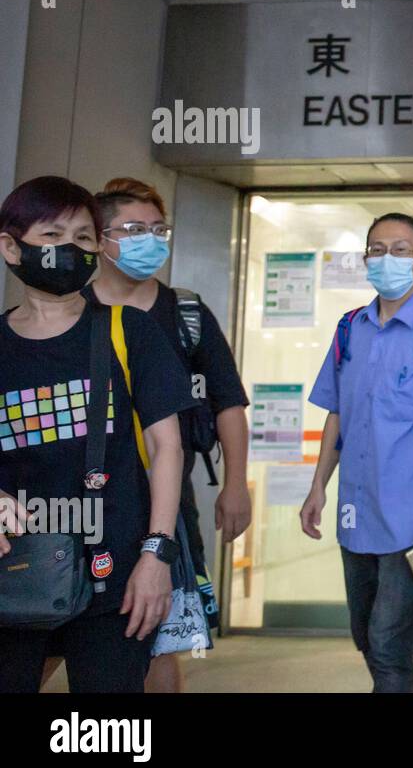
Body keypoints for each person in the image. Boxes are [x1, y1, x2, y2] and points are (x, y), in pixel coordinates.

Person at [0, 176, 196, 693]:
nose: (69, 248)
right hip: (13, 572)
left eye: (84, 239)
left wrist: (157, 555)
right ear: (10, 246)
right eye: (52, 234)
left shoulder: (128, 331)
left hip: (116, 575)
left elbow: (166, 447)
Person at [85, 177, 251, 692]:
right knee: (58, 625)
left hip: (166, 504)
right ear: (98, 238)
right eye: (134, 229)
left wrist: (236, 484)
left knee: (162, 636)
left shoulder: (185, 313)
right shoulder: (73, 311)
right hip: (85, 501)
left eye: (159, 229)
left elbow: (227, 402)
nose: (150, 240)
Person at [300, 212, 413, 693]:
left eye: (400, 249)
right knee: (365, 637)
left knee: (389, 645)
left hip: (411, 520)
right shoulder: (349, 329)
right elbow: (337, 414)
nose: (387, 258)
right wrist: (318, 487)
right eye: (377, 249)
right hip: (356, 513)